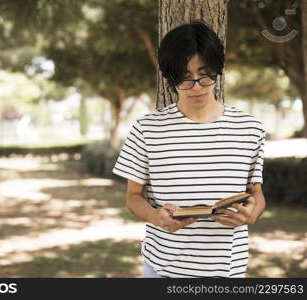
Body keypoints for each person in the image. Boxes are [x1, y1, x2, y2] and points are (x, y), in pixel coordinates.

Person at [112, 20, 266, 278]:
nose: (196, 86)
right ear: (170, 79)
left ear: (218, 70)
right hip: (161, 271)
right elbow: (132, 198)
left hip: (227, 272)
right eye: (184, 79)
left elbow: (256, 194)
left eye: (204, 75)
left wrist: (252, 213)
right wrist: (155, 216)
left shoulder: (250, 129)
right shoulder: (146, 128)